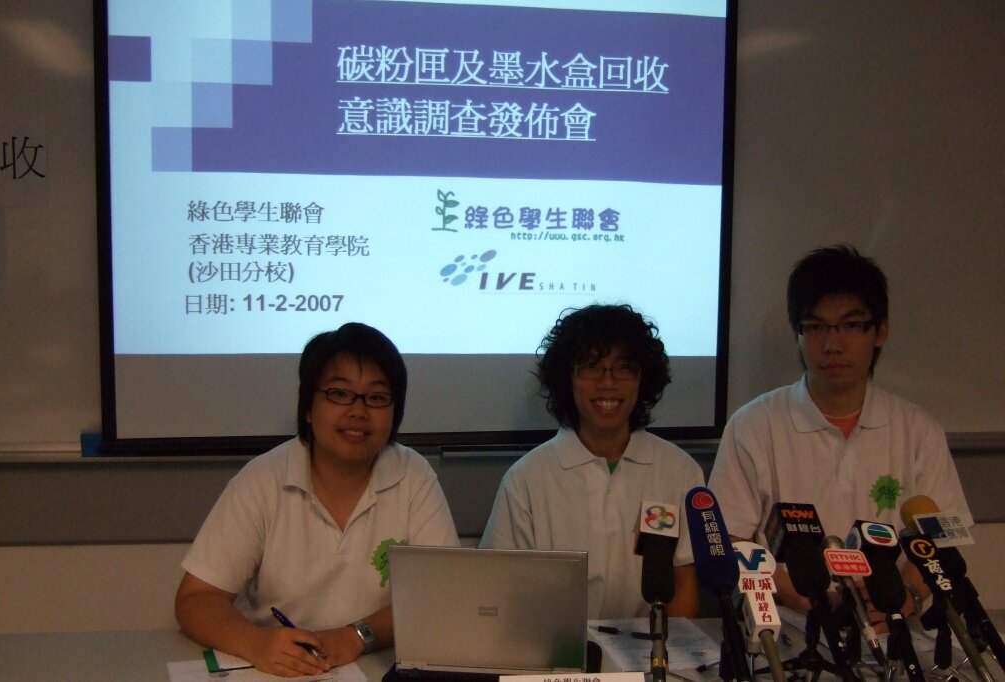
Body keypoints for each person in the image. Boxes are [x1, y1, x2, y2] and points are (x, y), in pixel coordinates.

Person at [175, 323, 459, 677]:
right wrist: (256, 643)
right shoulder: (264, 478)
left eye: (376, 397)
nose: (358, 411)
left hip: (378, 668)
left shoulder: (412, 476)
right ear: (308, 407)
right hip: (274, 670)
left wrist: (357, 636)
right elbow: (196, 599)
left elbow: (441, 595)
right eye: (339, 393)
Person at [708, 245, 972, 618]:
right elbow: (729, 537)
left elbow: (940, 541)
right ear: (798, 333)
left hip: (894, 625)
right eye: (815, 327)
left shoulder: (918, 431)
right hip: (789, 626)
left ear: (880, 331)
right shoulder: (752, 425)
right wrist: (796, 594)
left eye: (850, 325)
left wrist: (905, 596)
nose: (832, 345)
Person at [479, 304, 703, 619]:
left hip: (653, 646)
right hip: (553, 645)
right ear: (567, 379)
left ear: (642, 378)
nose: (608, 382)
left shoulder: (680, 471)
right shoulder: (527, 479)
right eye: (591, 367)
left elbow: (684, 583)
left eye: (623, 367)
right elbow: (498, 589)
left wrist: (660, 647)